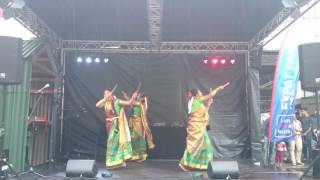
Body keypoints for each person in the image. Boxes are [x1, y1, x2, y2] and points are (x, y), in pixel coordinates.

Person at [179, 82, 229, 171]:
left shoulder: (196, 102)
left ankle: (202, 166)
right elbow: (210, 95)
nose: (201, 93)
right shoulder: (197, 100)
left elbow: (204, 113)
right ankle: (186, 163)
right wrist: (218, 88)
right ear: (197, 94)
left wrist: (208, 105)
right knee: (196, 146)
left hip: (201, 128)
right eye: (200, 92)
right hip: (197, 128)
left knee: (204, 146)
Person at [96, 89, 136, 169]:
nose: (105, 95)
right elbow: (97, 105)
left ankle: (113, 162)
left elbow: (129, 103)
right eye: (104, 94)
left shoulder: (117, 102)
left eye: (107, 93)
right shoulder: (105, 103)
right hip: (108, 125)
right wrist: (105, 98)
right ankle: (120, 162)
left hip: (116, 125)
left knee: (114, 143)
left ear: (111, 94)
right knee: (114, 143)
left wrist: (133, 97)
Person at [129, 92, 155, 162]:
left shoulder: (141, 104)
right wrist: (132, 96)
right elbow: (130, 104)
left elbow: (145, 108)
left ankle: (143, 156)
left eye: (138, 95)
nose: (138, 96)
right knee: (134, 138)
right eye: (137, 95)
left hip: (140, 122)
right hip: (133, 122)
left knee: (141, 138)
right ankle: (136, 155)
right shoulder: (135, 103)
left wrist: (145, 100)